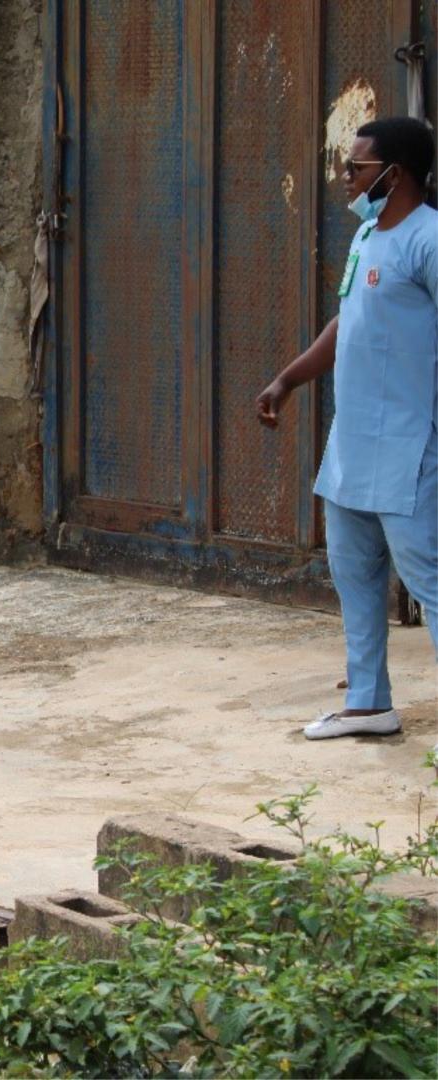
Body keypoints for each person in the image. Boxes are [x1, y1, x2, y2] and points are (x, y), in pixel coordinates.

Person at [255, 116, 438, 744]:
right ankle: (368, 704)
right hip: (353, 444)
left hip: (411, 445)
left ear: (397, 173)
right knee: (354, 575)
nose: (347, 177)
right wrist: (287, 380)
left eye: (358, 167)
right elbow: (347, 322)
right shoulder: (366, 235)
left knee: (430, 576)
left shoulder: (429, 240)